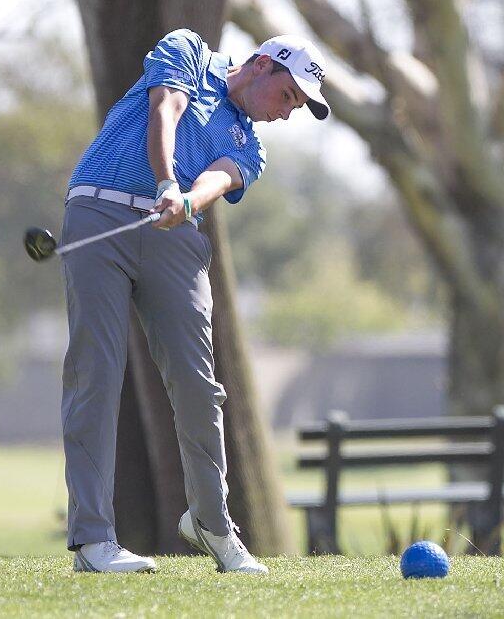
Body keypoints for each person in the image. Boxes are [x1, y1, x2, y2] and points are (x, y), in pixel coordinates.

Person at [60, 29, 329, 574]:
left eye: (297, 106)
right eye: (287, 97)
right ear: (259, 66)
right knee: (98, 373)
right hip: (99, 208)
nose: (285, 113)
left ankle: (212, 524)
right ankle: (93, 541)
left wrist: (183, 199)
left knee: (198, 384)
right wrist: (164, 180)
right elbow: (168, 106)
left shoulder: (250, 145)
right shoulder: (188, 50)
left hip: (174, 234)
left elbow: (216, 178)